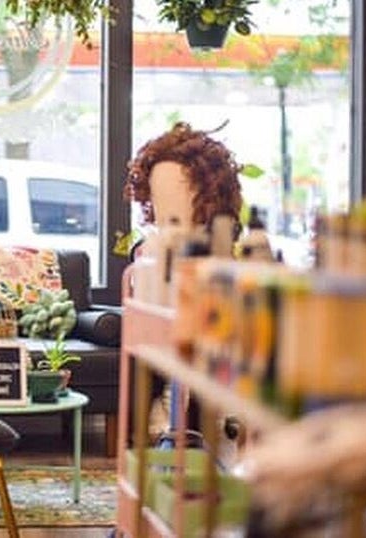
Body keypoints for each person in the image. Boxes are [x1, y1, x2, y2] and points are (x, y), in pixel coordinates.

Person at [123, 121, 246, 444]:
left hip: (207, 320)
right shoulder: (151, 252)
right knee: (148, 355)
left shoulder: (219, 250)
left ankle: (189, 436)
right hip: (164, 316)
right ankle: (154, 435)